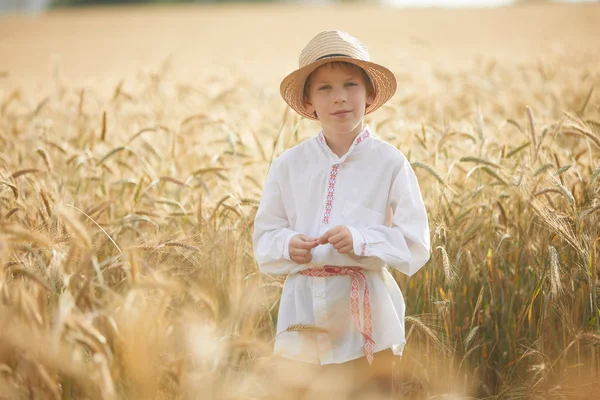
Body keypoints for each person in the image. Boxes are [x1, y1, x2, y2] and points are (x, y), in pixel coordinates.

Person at [252, 30, 431, 399]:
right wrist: (288, 246)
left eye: (351, 84)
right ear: (308, 102)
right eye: (324, 88)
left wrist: (361, 240)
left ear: (370, 94)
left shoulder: (390, 163)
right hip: (301, 329)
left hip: (366, 332)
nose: (339, 97)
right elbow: (264, 239)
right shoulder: (288, 165)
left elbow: (415, 243)